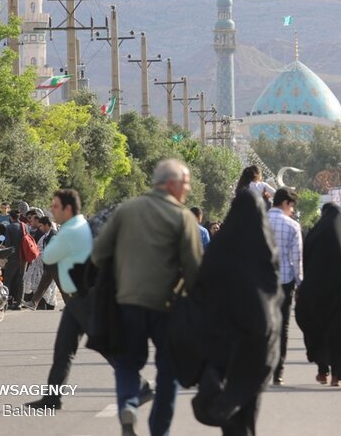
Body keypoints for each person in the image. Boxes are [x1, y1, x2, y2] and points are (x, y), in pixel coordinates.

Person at [92, 159, 203, 436]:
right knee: (169, 368)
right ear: (171, 184)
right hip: (168, 306)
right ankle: (159, 430)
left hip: (127, 301)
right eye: (186, 184)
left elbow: (99, 253)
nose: (187, 190)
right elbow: (193, 269)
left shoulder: (127, 210)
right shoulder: (182, 217)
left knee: (128, 362)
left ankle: (129, 404)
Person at [26, 191, 153, 410]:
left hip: (86, 298)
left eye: (55, 206)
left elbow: (47, 256)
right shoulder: (80, 227)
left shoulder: (72, 231)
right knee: (64, 349)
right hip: (78, 299)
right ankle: (52, 397)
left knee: (104, 347)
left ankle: (141, 385)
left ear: (68, 209)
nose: (52, 209)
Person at [183, 189, 282, 436]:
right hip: (259, 341)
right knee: (249, 403)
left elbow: (201, 288)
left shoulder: (220, 246)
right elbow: (275, 292)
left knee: (230, 403)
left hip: (225, 342)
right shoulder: (266, 248)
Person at [295, 203, 341, 387]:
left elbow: (304, 259)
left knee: (318, 329)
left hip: (317, 291)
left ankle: (322, 370)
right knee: (339, 332)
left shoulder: (316, 232)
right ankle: (336, 376)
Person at [266, 187, 302, 385]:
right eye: (292, 207)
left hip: (261, 284)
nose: (293, 211)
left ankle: (263, 367)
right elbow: (296, 259)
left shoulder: (258, 222)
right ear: (286, 203)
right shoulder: (292, 226)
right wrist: (300, 284)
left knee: (263, 326)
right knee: (283, 328)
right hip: (285, 283)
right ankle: (278, 371)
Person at [24, 215, 57, 309]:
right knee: (42, 285)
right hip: (49, 266)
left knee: (62, 289)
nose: (40, 228)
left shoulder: (53, 235)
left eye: (41, 226)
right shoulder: (47, 235)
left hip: (55, 266)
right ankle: (34, 303)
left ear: (47, 225)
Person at [2, 208, 28, 310]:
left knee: (7, 280)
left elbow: (8, 244)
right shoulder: (25, 226)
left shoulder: (10, 227)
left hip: (13, 257)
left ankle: (5, 302)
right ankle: (19, 303)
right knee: (21, 280)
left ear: (11, 218)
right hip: (23, 258)